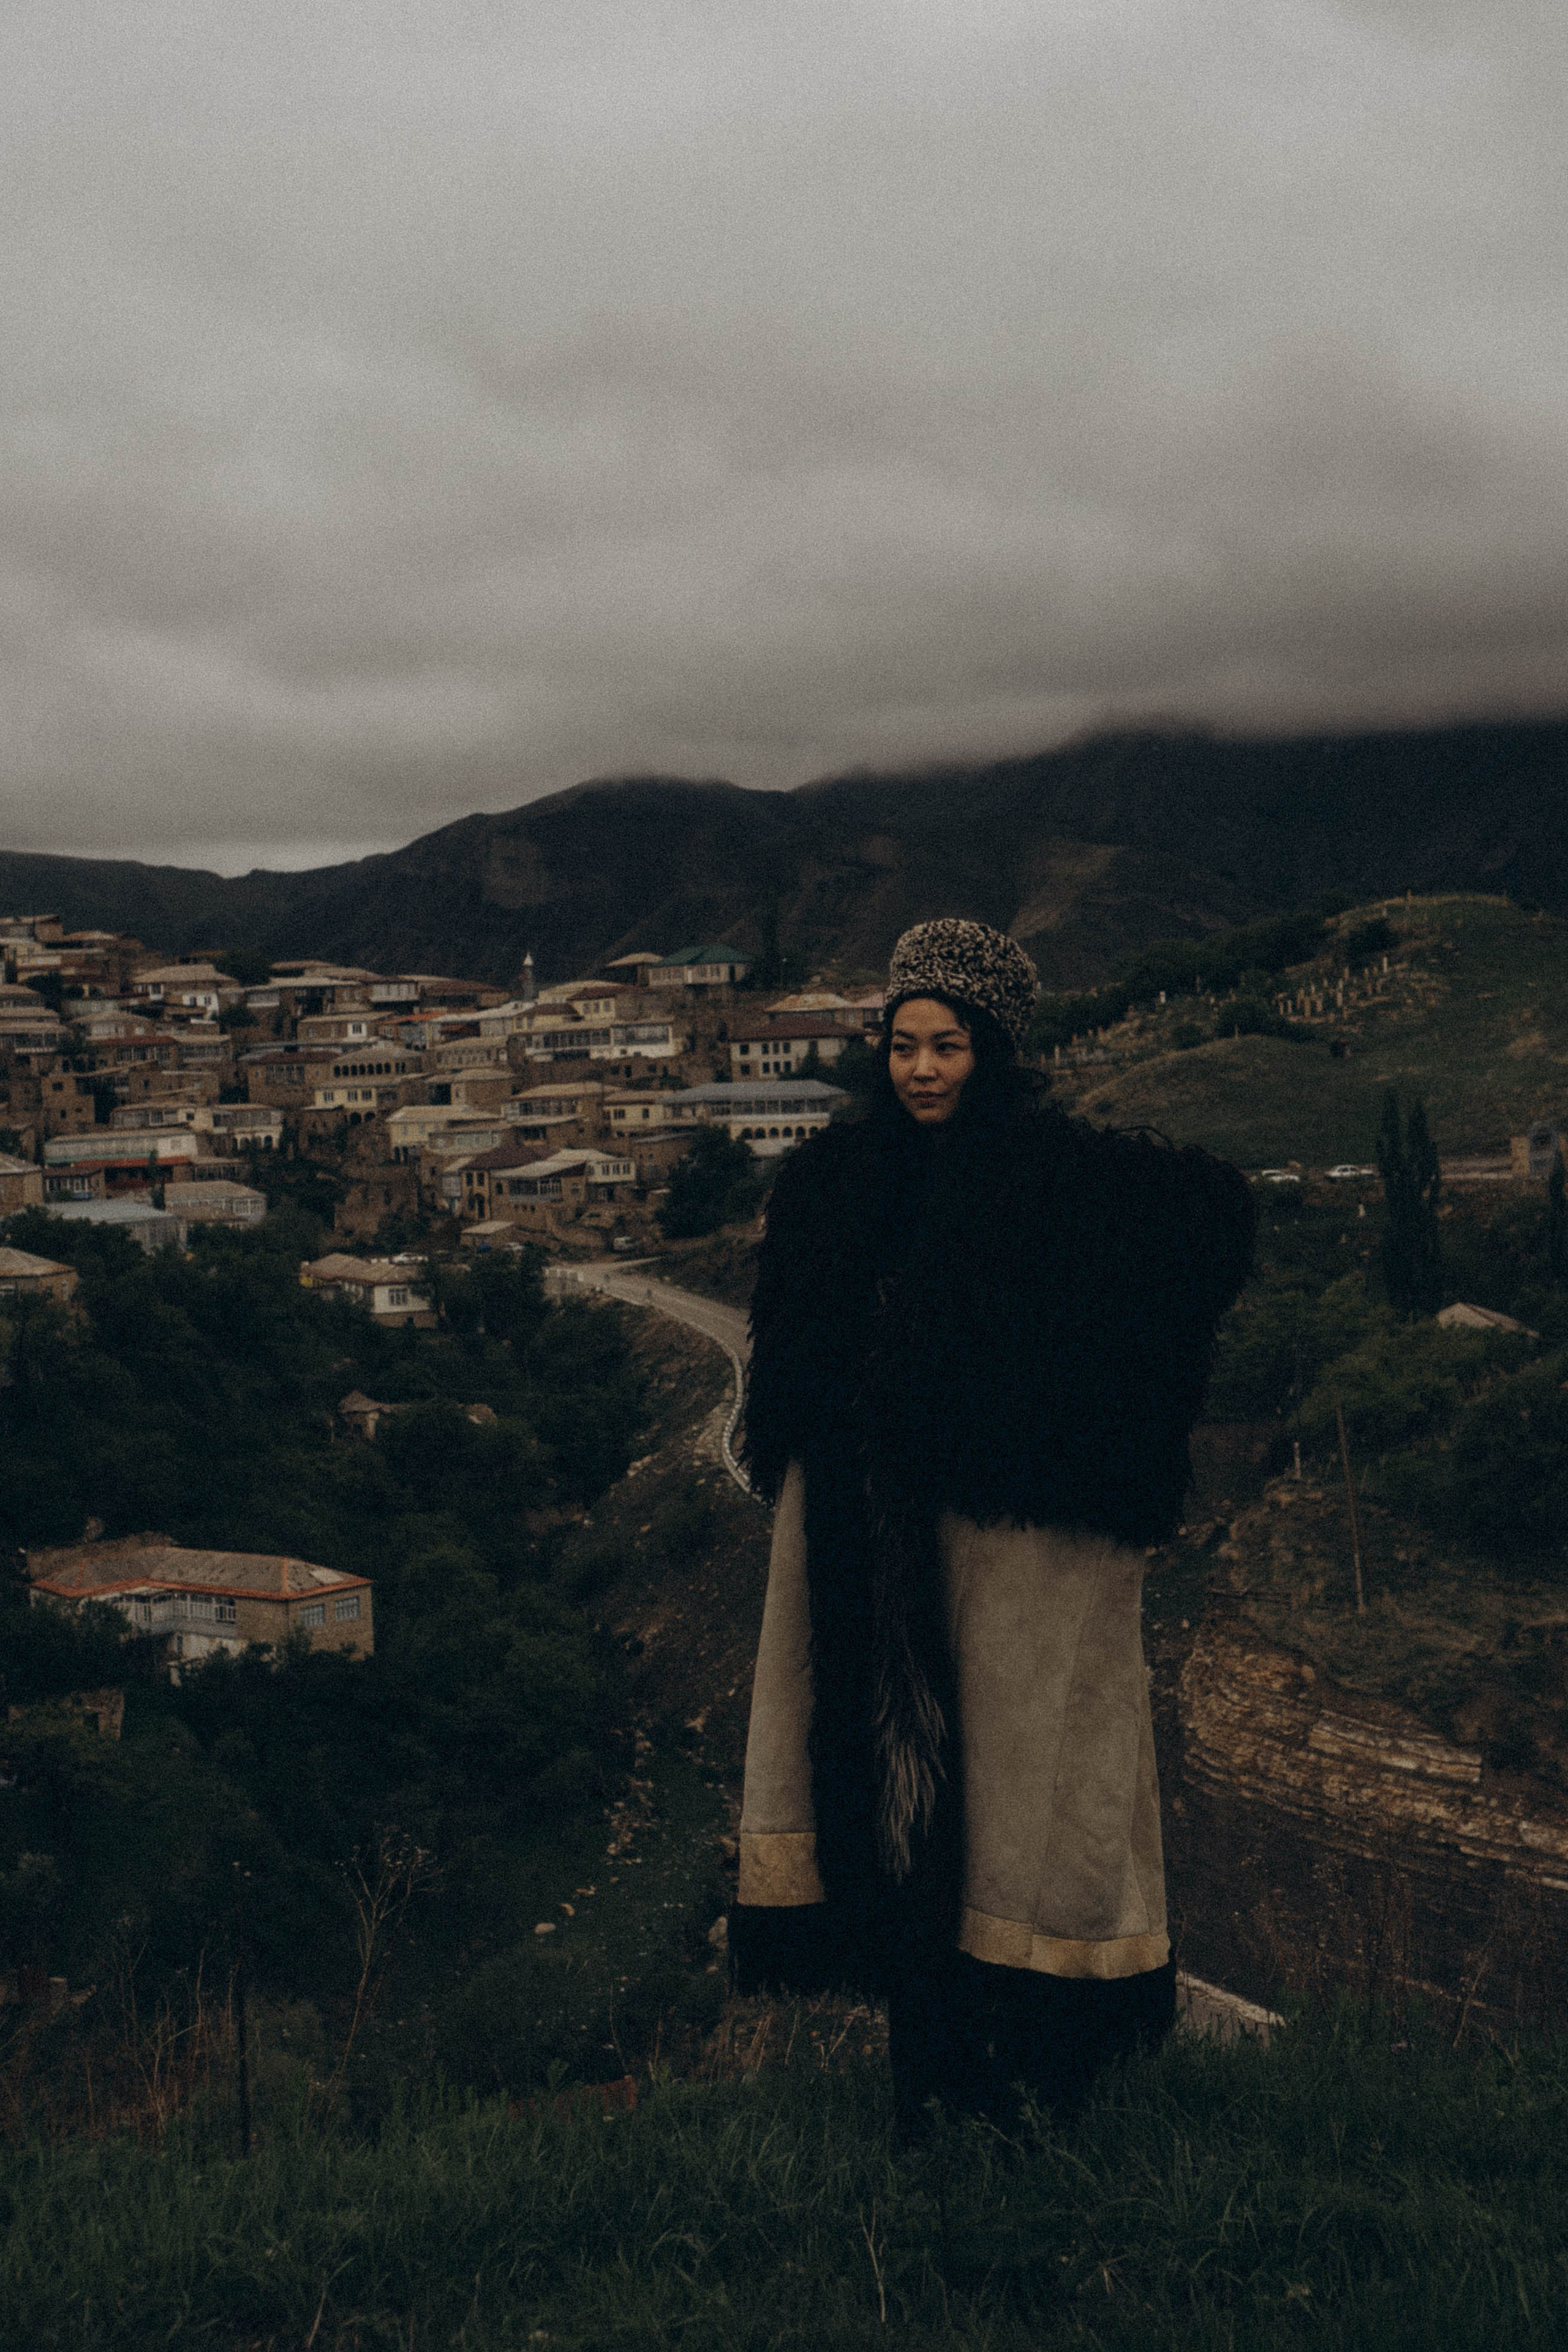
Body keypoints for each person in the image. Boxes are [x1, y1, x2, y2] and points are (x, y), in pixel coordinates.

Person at [731, 918, 1254, 2137]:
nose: (920, 1069)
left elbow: (1195, 1237)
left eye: (947, 1046)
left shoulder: (1049, 1179)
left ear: (993, 1049)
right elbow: (798, 1357)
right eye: (904, 1044)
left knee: (1013, 1791)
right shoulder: (833, 1185)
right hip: (862, 1534)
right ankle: (925, 2080)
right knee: (889, 1808)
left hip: (990, 1539)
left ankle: (1033, 2068)